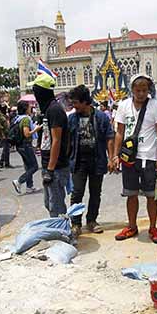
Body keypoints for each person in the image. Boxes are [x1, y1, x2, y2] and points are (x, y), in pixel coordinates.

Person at [112, 74, 157, 243]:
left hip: (149, 157)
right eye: (137, 90)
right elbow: (119, 132)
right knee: (131, 194)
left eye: (144, 90)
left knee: (151, 195)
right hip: (129, 158)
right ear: (132, 90)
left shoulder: (156, 106)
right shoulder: (123, 106)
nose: (141, 93)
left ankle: (152, 227)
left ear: (149, 90)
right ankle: (132, 226)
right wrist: (115, 155)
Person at [68, 85, 114, 235]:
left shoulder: (101, 117)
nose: (73, 106)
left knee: (95, 193)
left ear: (85, 102)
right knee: (77, 193)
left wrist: (111, 158)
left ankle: (92, 221)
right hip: (78, 161)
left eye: (76, 103)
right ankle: (75, 223)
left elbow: (109, 138)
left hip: (97, 160)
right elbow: (66, 140)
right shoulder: (72, 118)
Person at [30, 73, 70, 217]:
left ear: (41, 92)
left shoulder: (54, 110)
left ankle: (65, 235)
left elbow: (57, 140)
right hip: (49, 165)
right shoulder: (48, 110)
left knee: (56, 206)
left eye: (35, 91)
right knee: (49, 203)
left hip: (56, 167)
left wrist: (51, 169)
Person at [12, 100, 41, 194]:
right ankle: (19, 181)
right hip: (26, 145)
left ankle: (29, 186)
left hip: (20, 145)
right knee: (34, 166)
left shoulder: (17, 118)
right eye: (29, 107)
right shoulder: (26, 119)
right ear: (25, 109)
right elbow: (27, 134)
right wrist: (36, 129)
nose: (30, 109)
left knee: (28, 166)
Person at [0, 103, 12, 168]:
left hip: (7, 133)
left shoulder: (6, 115)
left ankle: (2, 162)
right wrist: (3, 135)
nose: (5, 109)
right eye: (3, 108)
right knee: (6, 149)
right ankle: (6, 163)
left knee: (6, 149)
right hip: (3, 134)